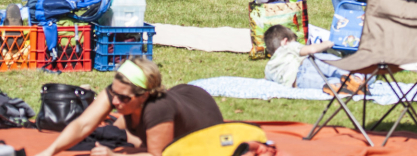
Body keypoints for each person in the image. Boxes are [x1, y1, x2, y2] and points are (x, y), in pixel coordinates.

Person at [33, 57, 223, 156]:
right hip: (184, 96)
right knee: (119, 130)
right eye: (113, 94)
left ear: (144, 95)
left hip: (207, 136)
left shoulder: (158, 108)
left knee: (144, 143)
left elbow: (158, 155)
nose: (115, 102)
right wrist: (49, 151)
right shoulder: (119, 92)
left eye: (123, 98)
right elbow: (83, 124)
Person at [263, 25, 362, 93]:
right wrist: (328, 43)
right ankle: (355, 76)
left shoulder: (269, 67)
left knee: (324, 83)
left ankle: (338, 86)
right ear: (284, 41)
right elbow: (312, 50)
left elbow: (266, 79)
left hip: (298, 83)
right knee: (328, 63)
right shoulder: (287, 47)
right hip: (306, 66)